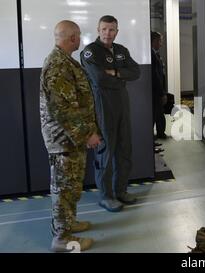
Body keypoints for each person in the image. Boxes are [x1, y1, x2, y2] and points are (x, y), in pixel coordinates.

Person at [40, 20, 101, 252]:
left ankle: (68, 223)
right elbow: (63, 109)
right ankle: (62, 239)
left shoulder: (64, 61)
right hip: (63, 139)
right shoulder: (57, 65)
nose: (80, 39)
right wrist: (87, 134)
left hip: (70, 138)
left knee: (71, 186)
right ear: (72, 37)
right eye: (78, 36)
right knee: (64, 189)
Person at [81, 15, 140, 212]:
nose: (108, 33)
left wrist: (114, 72)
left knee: (124, 149)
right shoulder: (90, 52)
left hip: (122, 104)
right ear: (98, 30)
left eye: (112, 29)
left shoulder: (121, 50)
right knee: (105, 153)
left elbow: (136, 72)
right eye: (104, 29)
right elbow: (98, 78)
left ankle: (121, 191)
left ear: (117, 31)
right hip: (103, 106)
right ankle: (106, 196)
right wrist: (121, 77)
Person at [151, 31, 168, 140]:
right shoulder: (152, 55)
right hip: (155, 91)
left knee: (158, 113)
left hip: (156, 90)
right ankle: (157, 135)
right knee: (156, 114)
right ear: (154, 41)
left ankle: (157, 135)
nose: (161, 44)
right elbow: (155, 75)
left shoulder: (154, 53)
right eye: (159, 41)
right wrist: (162, 93)